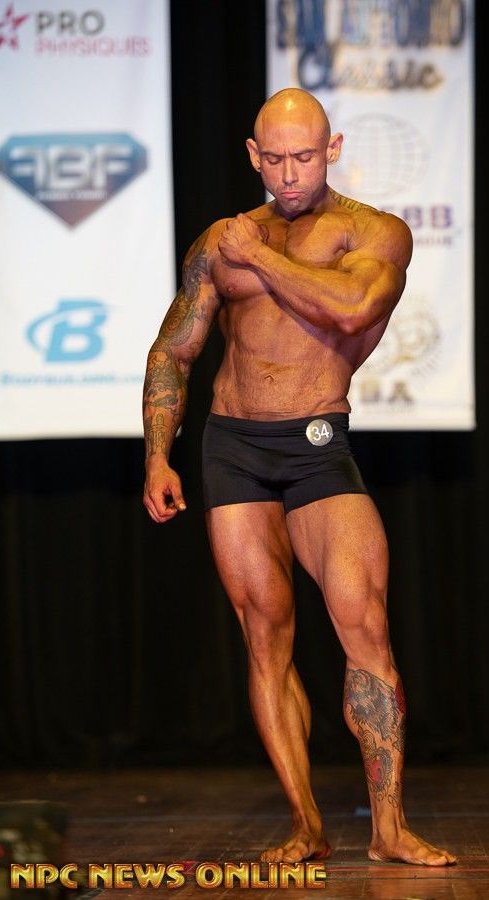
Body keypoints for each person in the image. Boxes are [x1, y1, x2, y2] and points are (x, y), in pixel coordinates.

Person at [142, 88, 456, 867]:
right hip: (231, 448)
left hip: (317, 443)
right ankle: (305, 825)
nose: (289, 174)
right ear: (254, 155)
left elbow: (352, 308)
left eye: (305, 157)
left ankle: (388, 828)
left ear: (333, 149)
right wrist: (157, 453)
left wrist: (260, 258)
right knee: (265, 635)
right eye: (275, 158)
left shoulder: (373, 232)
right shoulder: (220, 242)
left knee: (364, 623)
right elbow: (174, 349)